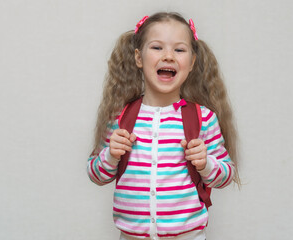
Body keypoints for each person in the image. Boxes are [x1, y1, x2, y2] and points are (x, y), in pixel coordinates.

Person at [87, 12, 240, 240]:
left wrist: (205, 163)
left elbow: (227, 174)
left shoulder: (203, 118)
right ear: (139, 58)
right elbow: (96, 174)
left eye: (179, 50)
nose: (168, 56)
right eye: (157, 47)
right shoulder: (120, 118)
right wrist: (111, 155)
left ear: (191, 63)